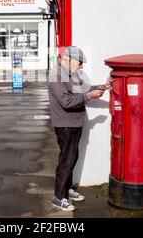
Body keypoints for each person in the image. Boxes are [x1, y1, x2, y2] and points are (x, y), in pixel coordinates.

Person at [48, 46, 112, 212]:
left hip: (74, 122)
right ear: (70, 59)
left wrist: (102, 86)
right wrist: (89, 96)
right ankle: (58, 196)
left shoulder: (70, 74)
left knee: (73, 157)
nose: (82, 66)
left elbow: (82, 90)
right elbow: (66, 101)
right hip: (65, 124)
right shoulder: (56, 74)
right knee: (66, 160)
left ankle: (67, 190)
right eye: (81, 62)